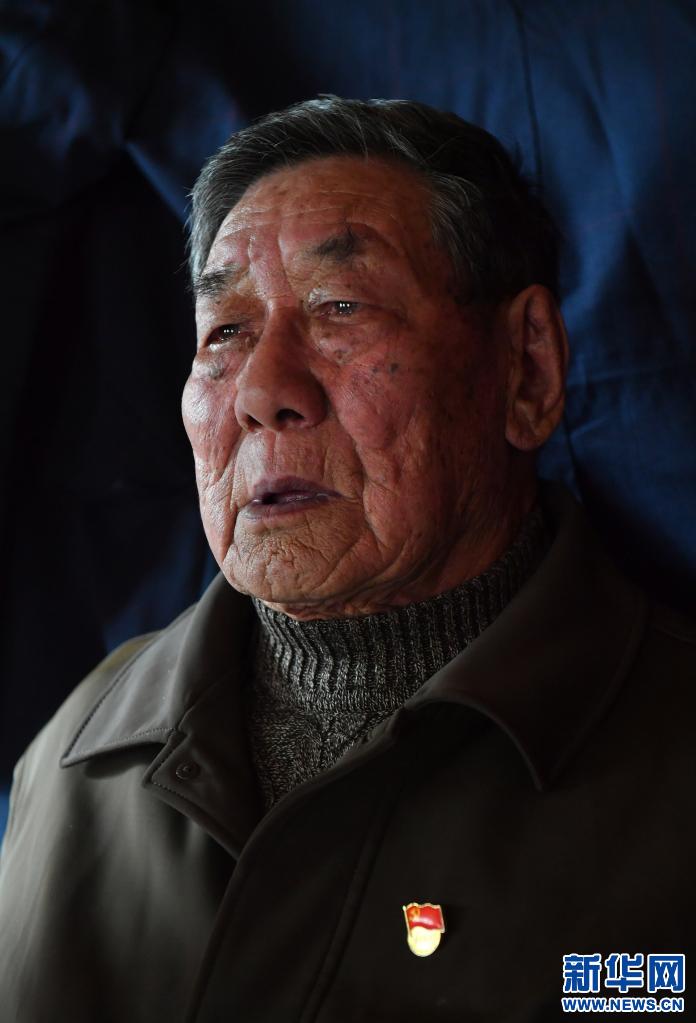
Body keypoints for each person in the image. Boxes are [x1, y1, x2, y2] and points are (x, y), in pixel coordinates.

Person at [1, 96, 694, 1022]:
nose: (262, 391)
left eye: (341, 308)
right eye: (224, 331)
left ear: (527, 369)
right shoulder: (75, 755)